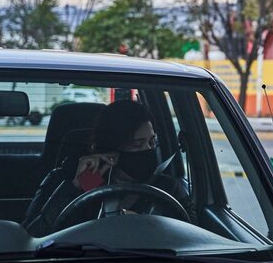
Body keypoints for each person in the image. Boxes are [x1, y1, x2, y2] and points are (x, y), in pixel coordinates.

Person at [23, 99, 193, 236]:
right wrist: (74, 189)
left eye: (152, 142)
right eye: (137, 144)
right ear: (111, 149)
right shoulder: (63, 179)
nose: (148, 151)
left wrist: (151, 227)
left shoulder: (168, 188)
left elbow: (193, 237)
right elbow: (32, 237)